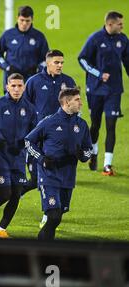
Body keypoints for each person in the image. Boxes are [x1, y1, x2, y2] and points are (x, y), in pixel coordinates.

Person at [25, 87, 92, 240]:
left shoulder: (81, 125)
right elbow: (29, 141)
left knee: (57, 217)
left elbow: (88, 150)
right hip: (49, 176)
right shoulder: (49, 122)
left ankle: (46, 250)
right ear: (67, 103)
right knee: (54, 216)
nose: (81, 103)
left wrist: (83, 155)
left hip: (68, 178)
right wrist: (41, 159)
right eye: (77, 100)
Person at [0, 73, 37, 238]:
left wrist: (27, 144)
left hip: (18, 157)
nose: (16, 89)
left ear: (24, 87)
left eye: (19, 86)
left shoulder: (30, 109)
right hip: (0, 156)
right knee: (5, 194)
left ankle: (1, 230)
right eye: (13, 86)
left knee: (16, 194)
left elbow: (35, 132)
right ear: (7, 87)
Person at [22, 49, 76, 227]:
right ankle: (48, 210)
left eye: (62, 62)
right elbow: (25, 107)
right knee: (38, 177)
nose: (60, 65)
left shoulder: (68, 82)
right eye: (57, 62)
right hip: (39, 137)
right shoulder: (34, 82)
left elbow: (75, 105)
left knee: (55, 176)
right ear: (47, 63)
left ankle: (49, 210)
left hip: (60, 138)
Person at [78, 11, 129, 176]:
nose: (122, 26)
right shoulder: (95, 39)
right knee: (95, 125)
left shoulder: (123, 39)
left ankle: (107, 165)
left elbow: (128, 62)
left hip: (114, 90)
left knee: (111, 125)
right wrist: (98, 74)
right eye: (120, 24)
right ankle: (93, 154)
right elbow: (82, 59)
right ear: (110, 24)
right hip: (95, 89)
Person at [0, 5, 49, 92]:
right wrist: (7, 67)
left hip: (31, 79)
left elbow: (46, 58)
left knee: (29, 104)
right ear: (17, 18)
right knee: (11, 104)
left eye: (27, 21)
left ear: (32, 20)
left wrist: (38, 69)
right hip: (12, 79)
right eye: (22, 20)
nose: (24, 23)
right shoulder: (8, 35)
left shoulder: (39, 36)